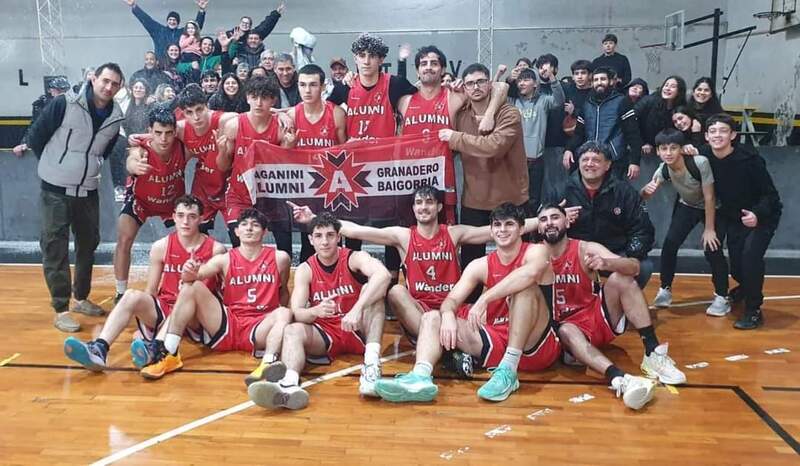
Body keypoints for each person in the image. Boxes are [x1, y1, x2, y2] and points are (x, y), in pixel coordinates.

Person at [478, 204, 686, 409]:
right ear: (538, 228)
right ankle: (618, 378)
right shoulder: (534, 253)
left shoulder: (585, 248)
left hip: (595, 317)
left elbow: (635, 267)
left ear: (567, 221)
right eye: (543, 220)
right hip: (558, 331)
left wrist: (607, 263)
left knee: (622, 278)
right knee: (566, 329)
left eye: (555, 217)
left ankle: (652, 352)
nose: (549, 223)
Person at [372, 203, 559, 402]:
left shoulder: (536, 251)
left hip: (535, 345)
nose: (502, 230)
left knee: (525, 290)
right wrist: (448, 315)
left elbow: (529, 274)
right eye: (497, 225)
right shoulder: (480, 265)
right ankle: (420, 377)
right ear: (491, 230)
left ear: (521, 229)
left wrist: (485, 298)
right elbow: (451, 300)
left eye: (509, 224)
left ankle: (508, 370)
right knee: (432, 317)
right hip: (496, 339)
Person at [63, 195, 225, 370]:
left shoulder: (216, 249)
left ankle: (156, 349)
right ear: (173, 217)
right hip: (166, 308)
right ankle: (100, 348)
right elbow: (151, 290)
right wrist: (147, 325)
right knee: (131, 295)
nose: (185, 221)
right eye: (180, 215)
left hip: (195, 316)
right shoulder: (161, 247)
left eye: (192, 216)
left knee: (186, 293)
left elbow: (221, 295)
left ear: (201, 219)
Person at [247, 213, 391, 410]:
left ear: (338, 237)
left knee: (373, 292)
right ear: (310, 240)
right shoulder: (306, 269)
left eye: (330, 235)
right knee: (292, 330)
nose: (325, 241)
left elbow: (383, 274)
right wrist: (315, 311)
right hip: (326, 333)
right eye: (319, 236)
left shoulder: (354, 258)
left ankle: (372, 365)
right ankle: (289, 385)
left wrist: (357, 309)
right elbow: (296, 312)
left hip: (357, 327)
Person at [139, 209, 292, 380]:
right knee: (192, 286)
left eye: (255, 225)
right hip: (229, 322)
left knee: (284, 312)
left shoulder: (280, 258)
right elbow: (194, 277)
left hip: (259, 326)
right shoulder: (224, 259)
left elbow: (283, 292)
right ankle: (169, 353)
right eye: (244, 225)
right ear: (236, 231)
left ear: (265, 232)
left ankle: (267, 364)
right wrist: (190, 271)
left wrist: (281, 329)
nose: (249, 229)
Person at [27, 63, 125, 332]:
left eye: (115, 83)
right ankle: (61, 308)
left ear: (120, 87)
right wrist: (55, 167)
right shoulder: (65, 104)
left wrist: (89, 169)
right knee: (54, 247)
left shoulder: (115, 115)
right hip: (55, 189)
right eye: (105, 80)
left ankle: (80, 297)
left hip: (87, 190)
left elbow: (104, 151)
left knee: (88, 244)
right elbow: (37, 136)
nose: (108, 87)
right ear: (93, 79)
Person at [326, 33, 419, 275]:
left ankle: (390, 281)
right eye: (361, 56)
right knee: (353, 229)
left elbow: (424, 99)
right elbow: (322, 112)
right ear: (355, 59)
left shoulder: (395, 84)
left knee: (389, 229)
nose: (366, 61)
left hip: (385, 170)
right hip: (354, 171)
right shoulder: (344, 87)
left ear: (381, 60)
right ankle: (354, 281)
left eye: (372, 56)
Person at [438, 63, 528, 301]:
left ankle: (518, 309)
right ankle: (468, 309)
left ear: (490, 83)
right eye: (469, 83)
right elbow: (447, 148)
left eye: (480, 81)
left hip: (509, 199)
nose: (475, 87)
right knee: (471, 262)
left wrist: (456, 138)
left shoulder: (509, 113)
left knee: (517, 261)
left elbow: (494, 147)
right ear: (464, 87)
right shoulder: (462, 114)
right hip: (474, 200)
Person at [399, 46, 509, 224]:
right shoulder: (404, 100)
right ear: (417, 71)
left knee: (446, 235)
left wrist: (489, 114)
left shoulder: (454, 96)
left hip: (443, 179)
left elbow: (500, 86)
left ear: (442, 70)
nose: (428, 67)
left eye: (434, 63)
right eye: (423, 64)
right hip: (412, 178)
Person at [702, 113, 782, 329]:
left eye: (723, 131)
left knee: (749, 258)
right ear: (706, 136)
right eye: (713, 131)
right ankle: (746, 286)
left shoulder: (749, 159)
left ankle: (753, 309)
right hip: (733, 216)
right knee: (734, 265)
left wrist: (758, 215)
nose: (718, 135)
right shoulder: (703, 157)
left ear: (733, 135)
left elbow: (771, 196)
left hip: (761, 215)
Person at [641, 129, 729, 315]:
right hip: (687, 206)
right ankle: (665, 289)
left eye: (673, 148)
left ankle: (722, 296)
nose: (668, 153)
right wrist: (645, 191)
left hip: (712, 208)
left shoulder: (699, 163)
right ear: (658, 151)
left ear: (681, 149)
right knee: (670, 245)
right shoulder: (663, 168)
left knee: (712, 249)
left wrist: (710, 228)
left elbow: (710, 197)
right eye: (664, 149)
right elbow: (646, 194)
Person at [553, 141, 655, 289]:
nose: (589, 164)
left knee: (643, 266)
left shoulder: (624, 192)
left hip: (614, 252)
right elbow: (541, 229)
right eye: (585, 160)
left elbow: (642, 230)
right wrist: (559, 220)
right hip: (575, 253)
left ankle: (621, 305)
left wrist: (628, 257)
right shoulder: (561, 191)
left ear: (607, 165)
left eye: (596, 160)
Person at [114, 105, 188, 301]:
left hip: (172, 203)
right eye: (158, 133)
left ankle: (182, 289)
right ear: (149, 132)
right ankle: (120, 292)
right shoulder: (141, 149)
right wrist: (134, 166)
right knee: (124, 239)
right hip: (141, 200)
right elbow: (131, 160)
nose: (163, 139)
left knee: (187, 244)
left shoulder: (183, 146)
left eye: (168, 133)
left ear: (175, 132)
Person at [216, 76, 292, 251]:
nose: (258, 103)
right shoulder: (234, 125)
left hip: (271, 197)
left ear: (273, 100)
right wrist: (221, 151)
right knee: (239, 248)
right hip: (240, 196)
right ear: (247, 98)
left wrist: (288, 146)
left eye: (264, 97)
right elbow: (223, 166)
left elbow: (285, 168)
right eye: (254, 97)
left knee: (285, 250)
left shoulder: (281, 128)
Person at [283, 64, 347, 261]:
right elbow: (283, 156)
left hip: (332, 187)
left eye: (312, 85)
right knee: (308, 241)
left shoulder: (336, 113)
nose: (307, 90)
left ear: (323, 86)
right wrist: (290, 144)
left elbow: (346, 152)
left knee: (334, 238)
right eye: (302, 85)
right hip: (305, 187)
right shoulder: (292, 115)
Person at [564, 66, 644, 180]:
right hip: (591, 159)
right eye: (596, 80)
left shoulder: (622, 101)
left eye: (603, 79)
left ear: (611, 81)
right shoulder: (587, 104)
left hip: (614, 160)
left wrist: (635, 161)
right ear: (592, 83)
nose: (599, 83)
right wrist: (568, 149)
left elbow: (633, 134)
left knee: (612, 195)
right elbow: (578, 134)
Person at [507, 66, 565, 213]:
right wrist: (508, 80)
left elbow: (559, 100)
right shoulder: (513, 102)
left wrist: (551, 77)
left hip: (536, 159)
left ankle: (532, 233)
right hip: (516, 160)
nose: (521, 83)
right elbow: (494, 96)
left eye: (526, 80)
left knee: (533, 199)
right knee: (514, 198)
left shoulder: (543, 101)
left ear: (535, 84)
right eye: (519, 81)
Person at [125, 0, 208, 60]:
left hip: (178, 65)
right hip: (161, 65)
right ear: (167, 21)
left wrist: (201, 10)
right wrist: (134, 6)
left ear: (178, 23)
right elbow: (146, 20)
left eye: (174, 20)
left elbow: (196, 27)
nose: (172, 21)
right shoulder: (158, 30)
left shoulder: (182, 33)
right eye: (170, 19)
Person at [13, 76, 72, 157]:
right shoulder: (43, 105)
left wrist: (26, 144)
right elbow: (37, 126)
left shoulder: (70, 105)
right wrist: (26, 143)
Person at [635, 75, 687, 157]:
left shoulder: (681, 108)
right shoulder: (649, 101)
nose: (667, 88)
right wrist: (642, 142)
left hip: (667, 149)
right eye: (666, 85)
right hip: (645, 146)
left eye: (672, 87)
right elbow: (632, 121)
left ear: (679, 91)